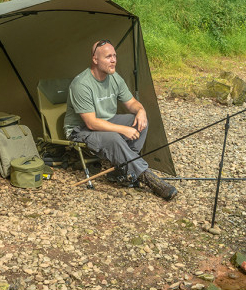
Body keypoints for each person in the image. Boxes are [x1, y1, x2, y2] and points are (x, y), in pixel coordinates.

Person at [64, 39, 177, 200]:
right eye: (108, 57)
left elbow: (131, 103)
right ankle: (148, 178)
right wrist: (122, 129)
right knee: (114, 137)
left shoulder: (115, 77)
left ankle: (122, 171)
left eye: (115, 56)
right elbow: (91, 123)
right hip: (80, 130)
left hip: (106, 121)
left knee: (138, 122)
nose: (113, 60)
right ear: (95, 60)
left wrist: (141, 111)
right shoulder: (81, 84)